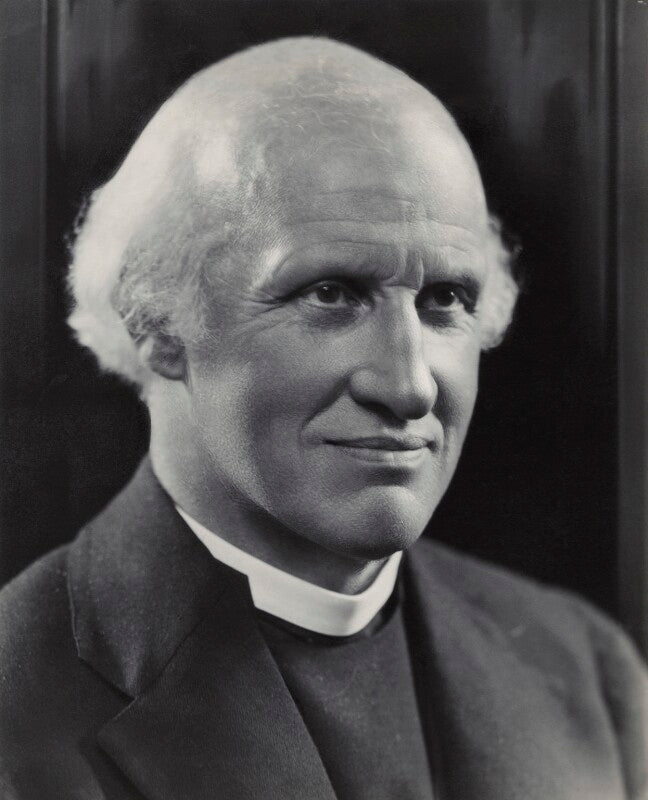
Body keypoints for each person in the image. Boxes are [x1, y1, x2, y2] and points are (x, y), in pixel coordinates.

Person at [0, 36, 646, 800]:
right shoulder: (16, 700)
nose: (409, 387)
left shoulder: (591, 677)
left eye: (445, 299)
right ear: (157, 322)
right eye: (330, 294)